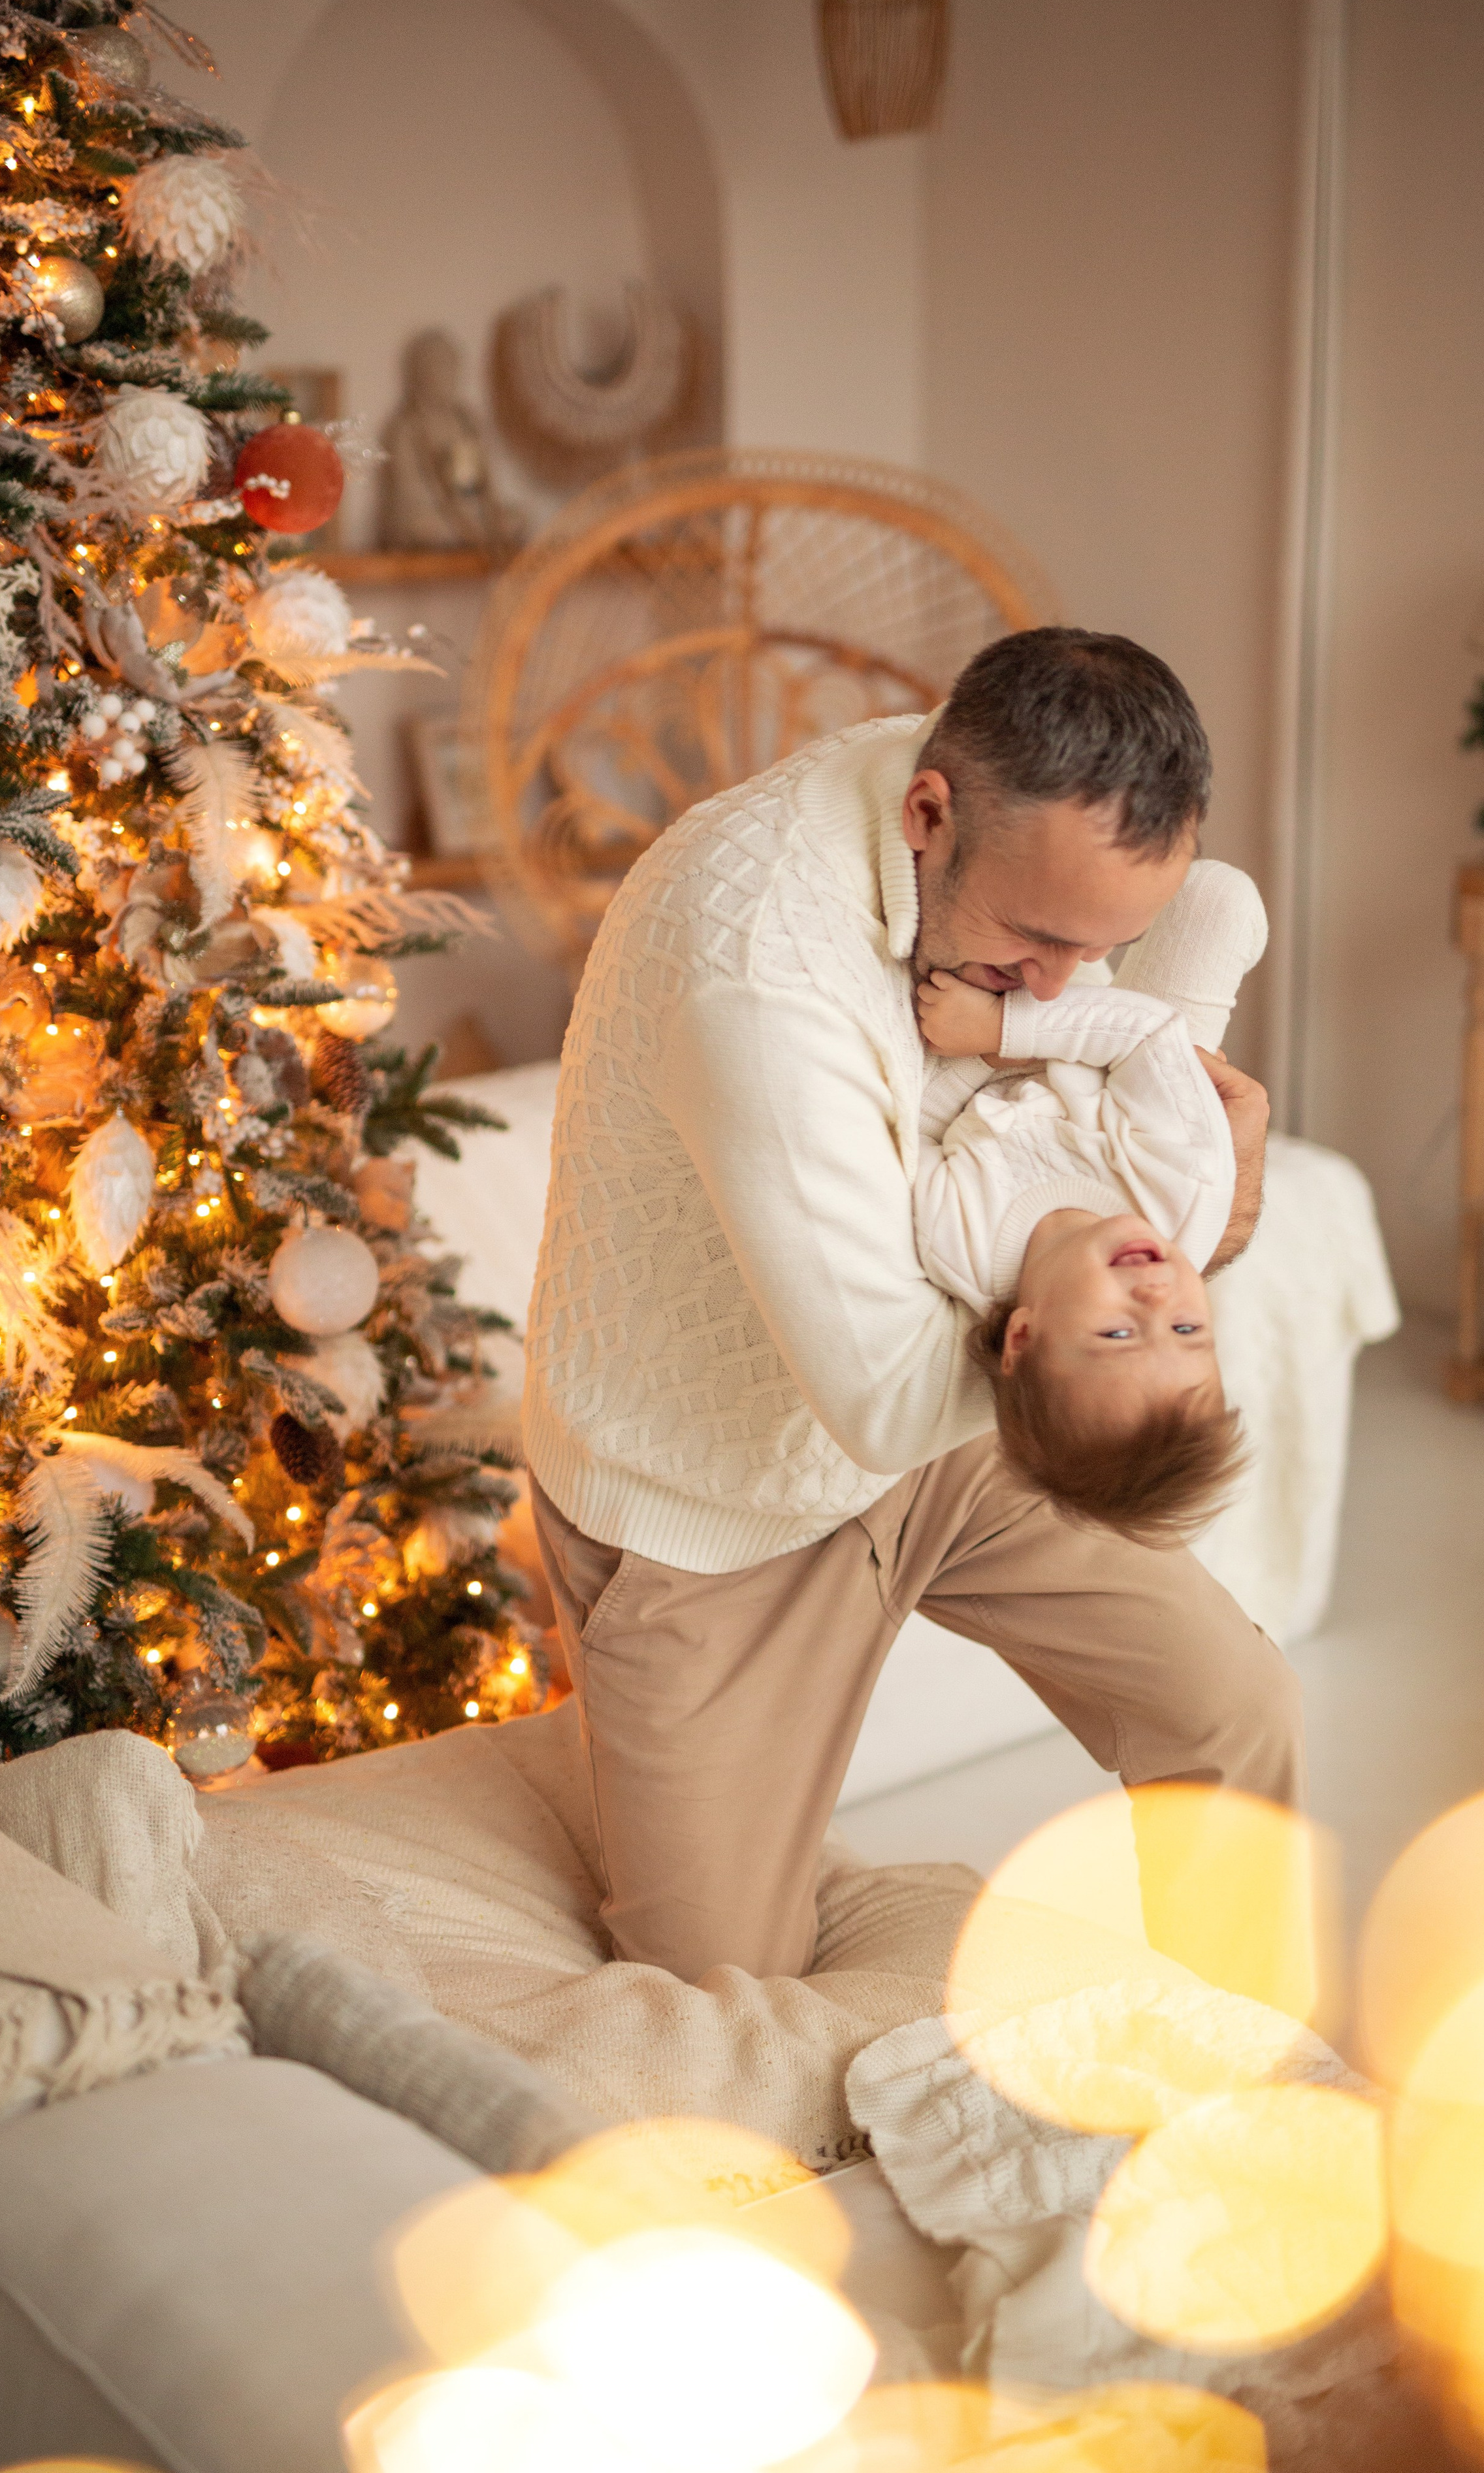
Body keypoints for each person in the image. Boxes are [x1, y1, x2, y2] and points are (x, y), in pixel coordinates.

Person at [524, 625, 1294, 1985]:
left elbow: (1073, 1103)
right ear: (926, 814)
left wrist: (1169, 1215)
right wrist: (1183, 1247)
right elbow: (879, 1394)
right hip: (718, 1503)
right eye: (1040, 943)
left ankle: (1236, 2073)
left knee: (1232, 1713)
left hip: (969, 1418)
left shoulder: (989, 830)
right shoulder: (754, 967)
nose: (1059, 990)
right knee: (712, 1986)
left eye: (1099, 949)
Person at [911, 859, 1268, 1541]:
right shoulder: (1182, 1192)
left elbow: (917, 1128)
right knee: (1220, 899)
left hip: (998, 1072)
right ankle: (1078, 956)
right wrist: (1000, 1030)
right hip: (1136, 1074)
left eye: (1117, 1334)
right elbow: (1144, 1037)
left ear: (1023, 1335)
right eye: (1189, 1331)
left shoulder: (957, 1244)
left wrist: (982, 1060)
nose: (1159, 1301)